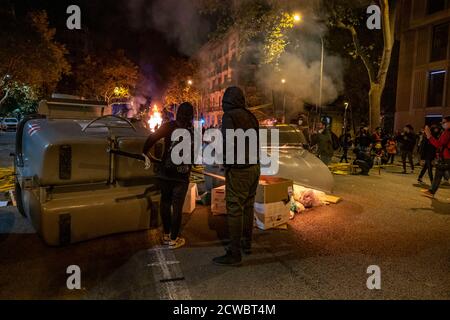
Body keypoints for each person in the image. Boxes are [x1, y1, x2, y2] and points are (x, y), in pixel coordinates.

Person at [213, 87, 260, 266]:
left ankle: (234, 253)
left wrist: (225, 163)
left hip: (239, 169)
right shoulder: (251, 116)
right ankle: (246, 244)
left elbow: (228, 142)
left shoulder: (230, 116)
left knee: (234, 208)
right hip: (254, 167)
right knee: (248, 206)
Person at [142, 102, 194, 249]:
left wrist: (145, 152)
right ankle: (173, 238)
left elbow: (152, 138)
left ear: (178, 113)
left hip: (165, 171)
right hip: (181, 175)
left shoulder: (168, 126)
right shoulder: (192, 130)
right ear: (190, 116)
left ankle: (166, 234)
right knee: (177, 207)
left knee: (165, 202)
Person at [422, 116, 450, 198]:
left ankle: (431, 191)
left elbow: (439, 144)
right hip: (445, 156)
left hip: (447, 157)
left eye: (444, 122)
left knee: (441, 173)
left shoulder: (447, 132)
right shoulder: (446, 131)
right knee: (438, 173)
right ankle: (431, 191)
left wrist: (429, 136)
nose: (442, 124)